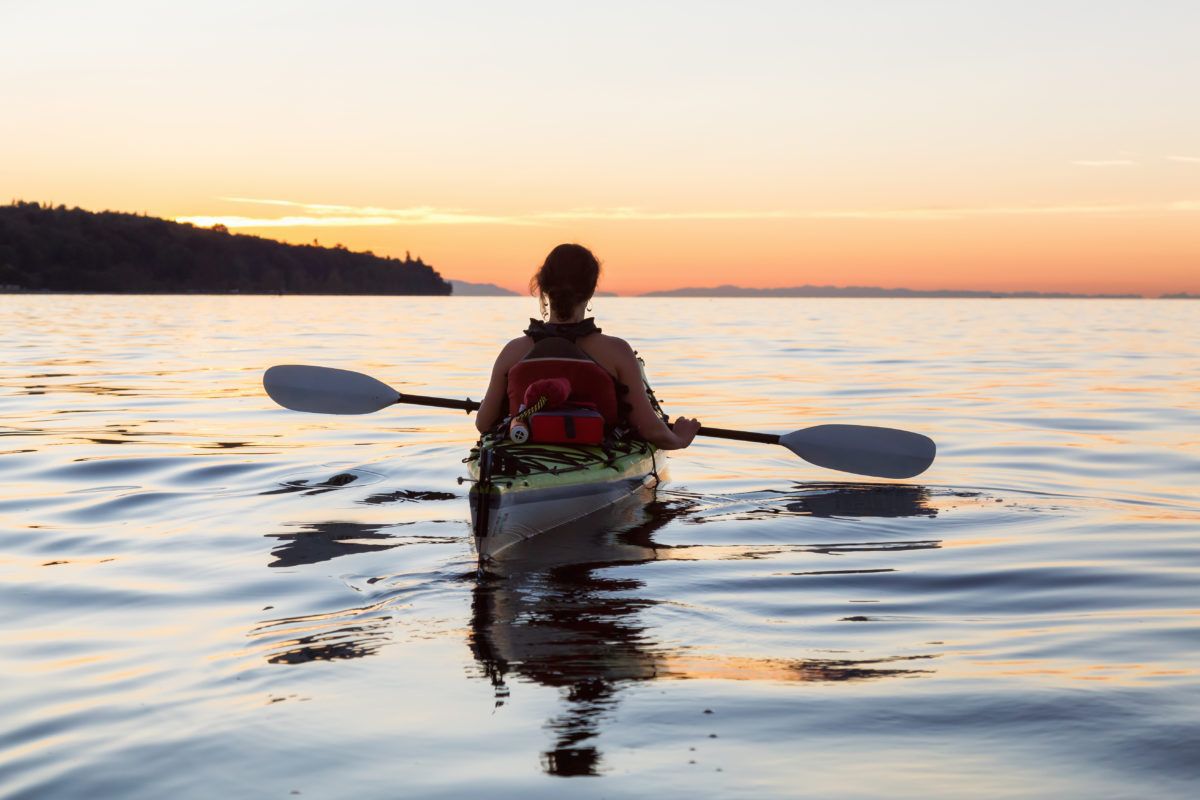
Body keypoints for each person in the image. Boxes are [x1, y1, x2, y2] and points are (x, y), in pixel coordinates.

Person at [475, 243, 701, 450]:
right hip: (597, 460)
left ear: (543, 288)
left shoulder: (513, 352)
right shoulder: (616, 352)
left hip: (523, 456)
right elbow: (651, 430)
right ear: (591, 289)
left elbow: (484, 423)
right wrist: (680, 439)